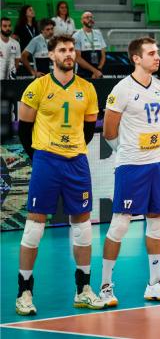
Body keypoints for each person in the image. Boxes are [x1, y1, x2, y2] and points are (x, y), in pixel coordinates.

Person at [15, 35, 103, 316]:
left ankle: (84, 290)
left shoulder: (87, 89)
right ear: (50, 55)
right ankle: (24, 292)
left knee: (83, 224)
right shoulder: (37, 87)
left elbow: (89, 129)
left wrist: (72, 148)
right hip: (46, 161)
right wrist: (41, 157)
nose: (68, 54)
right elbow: (24, 129)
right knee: (34, 226)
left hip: (76, 162)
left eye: (71, 50)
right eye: (62, 50)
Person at [98, 37, 160, 306]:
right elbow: (109, 131)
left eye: (158, 53)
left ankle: (154, 283)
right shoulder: (121, 90)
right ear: (136, 58)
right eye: (152, 53)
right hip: (131, 165)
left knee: (158, 219)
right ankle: (105, 286)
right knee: (120, 223)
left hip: (157, 163)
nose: (158, 57)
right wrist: (127, 150)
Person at [73, 12, 106, 79]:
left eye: (91, 17)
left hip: (98, 73)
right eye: (87, 17)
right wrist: (95, 71)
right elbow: (78, 58)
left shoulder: (98, 33)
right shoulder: (77, 35)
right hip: (83, 73)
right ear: (82, 21)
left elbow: (103, 55)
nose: (90, 19)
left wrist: (98, 70)